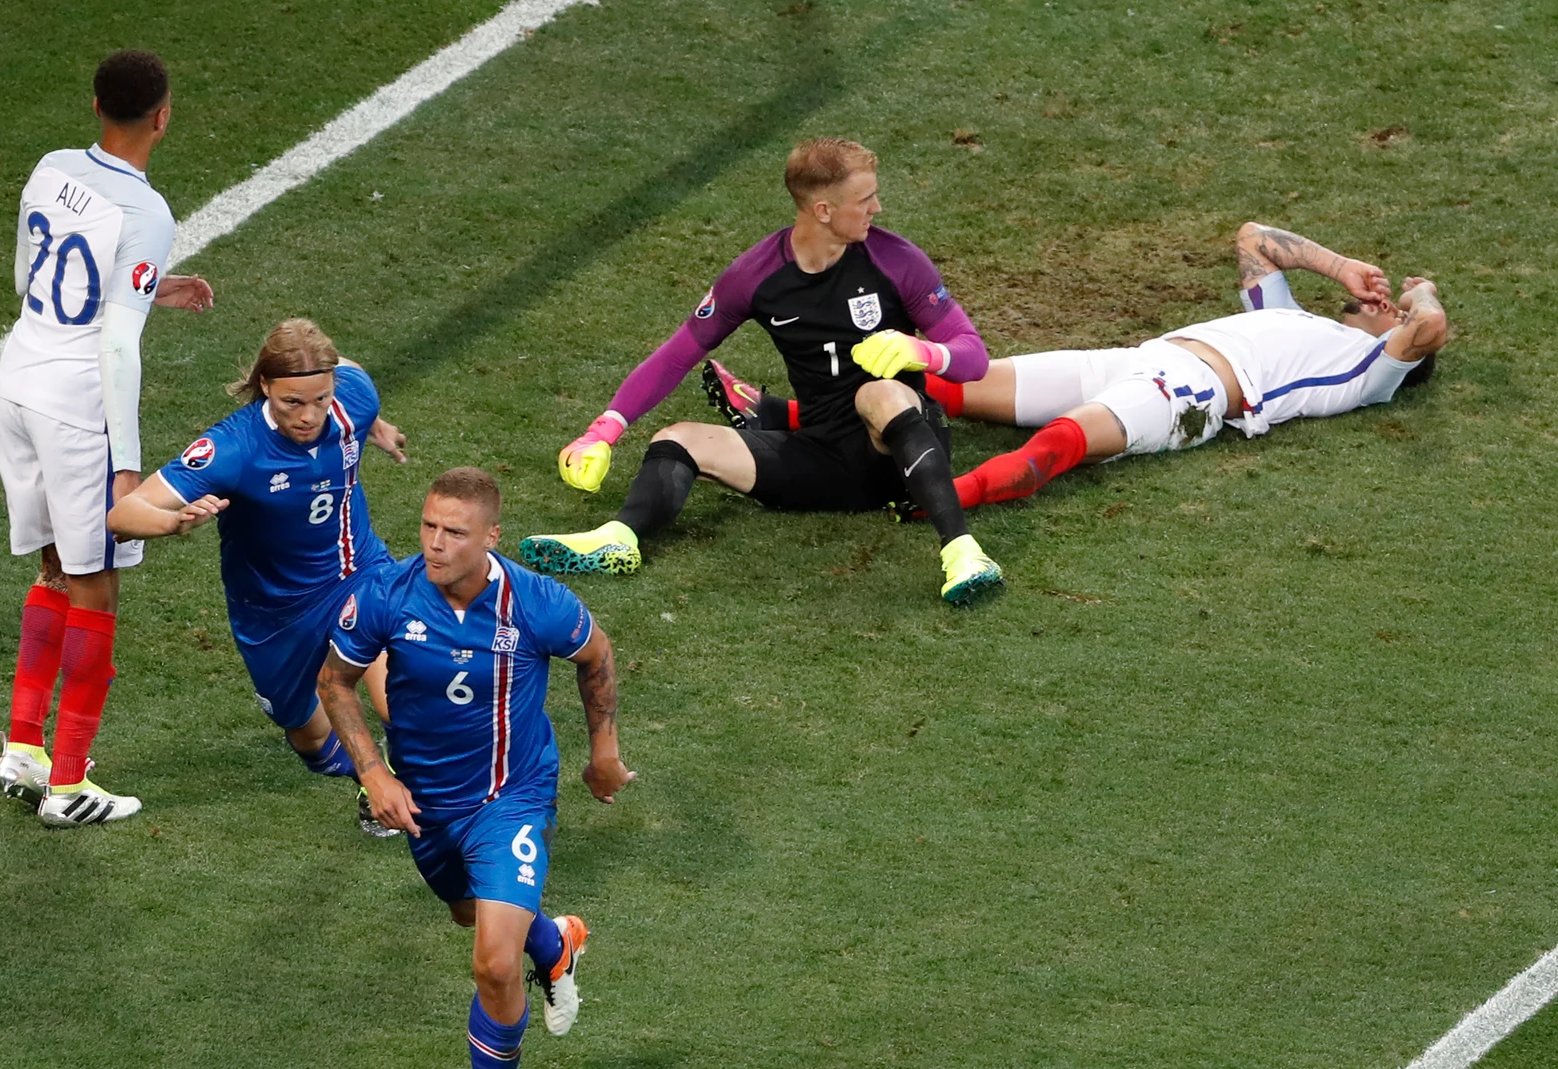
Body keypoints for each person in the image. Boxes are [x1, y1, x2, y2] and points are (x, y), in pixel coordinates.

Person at [518, 137, 1004, 605]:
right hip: (824, 459)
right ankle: (619, 538)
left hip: (903, 452)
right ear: (823, 210)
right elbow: (677, 354)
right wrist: (602, 431)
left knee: (878, 394)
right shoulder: (756, 276)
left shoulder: (896, 260)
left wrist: (923, 354)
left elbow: (973, 356)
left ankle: (962, 553)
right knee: (677, 437)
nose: (877, 208)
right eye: (866, 198)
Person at [711, 222, 1446, 509]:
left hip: (1192, 395)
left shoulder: (1373, 366)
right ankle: (783, 414)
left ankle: (951, 496)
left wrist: (1420, 293)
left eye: (1395, 309)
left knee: (1063, 442)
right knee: (956, 381)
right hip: (1137, 357)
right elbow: (1254, 240)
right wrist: (1344, 265)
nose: (1391, 304)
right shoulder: (1291, 314)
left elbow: (1432, 324)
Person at [318, 468, 633, 1067]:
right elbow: (335, 683)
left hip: (511, 794)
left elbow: (596, 654)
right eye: (429, 526)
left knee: (493, 963)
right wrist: (373, 775)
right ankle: (555, 938)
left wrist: (604, 753)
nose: (435, 543)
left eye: (455, 532)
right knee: (468, 913)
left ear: (491, 536)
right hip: (428, 801)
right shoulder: (386, 593)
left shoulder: (537, 602)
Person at [0, 49, 216, 827]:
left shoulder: (51, 167)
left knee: (56, 564)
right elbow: (116, 347)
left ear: (94, 106)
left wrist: (152, 289)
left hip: (16, 379)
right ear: (162, 116)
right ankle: (71, 784)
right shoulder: (147, 214)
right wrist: (126, 467)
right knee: (98, 585)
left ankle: (24, 748)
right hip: (75, 407)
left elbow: (29, 278)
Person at [106, 318, 409, 835]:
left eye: (320, 399)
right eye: (294, 402)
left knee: (399, 683)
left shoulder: (353, 399)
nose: (310, 415)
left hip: (358, 571)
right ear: (266, 386)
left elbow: (351, 374)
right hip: (274, 613)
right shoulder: (233, 449)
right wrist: (173, 522)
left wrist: (371, 423)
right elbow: (121, 516)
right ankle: (365, 773)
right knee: (310, 740)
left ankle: (400, 781)